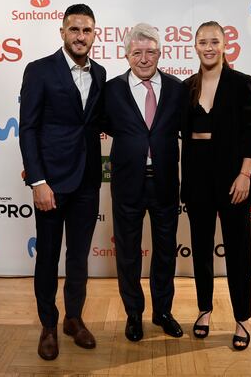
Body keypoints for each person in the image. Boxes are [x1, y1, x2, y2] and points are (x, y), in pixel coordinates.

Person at [19, 4, 106, 360]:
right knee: (48, 257)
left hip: (88, 181)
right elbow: (28, 128)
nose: (80, 36)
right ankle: (49, 325)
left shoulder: (100, 74)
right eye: (74, 30)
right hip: (51, 183)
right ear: (62, 32)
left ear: (94, 34)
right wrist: (38, 180)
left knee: (79, 257)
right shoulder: (39, 70)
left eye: (87, 30)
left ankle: (73, 318)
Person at [181, 21, 251, 351]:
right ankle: (204, 310)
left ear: (225, 44)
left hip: (233, 178)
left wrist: (244, 174)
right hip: (198, 176)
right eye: (203, 42)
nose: (209, 46)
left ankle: (242, 317)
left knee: (238, 250)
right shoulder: (186, 87)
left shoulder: (242, 83)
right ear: (195, 46)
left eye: (215, 41)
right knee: (201, 248)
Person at [103, 23, 184, 341]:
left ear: (160, 53)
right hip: (126, 184)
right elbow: (103, 124)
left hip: (165, 182)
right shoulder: (111, 90)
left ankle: (163, 312)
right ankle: (133, 314)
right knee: (127, 253)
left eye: (150, 51)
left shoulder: (178, 89)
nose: (144, 58)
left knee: (165, 251)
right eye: (137, 52)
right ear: (126, 55)